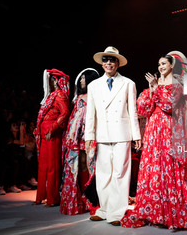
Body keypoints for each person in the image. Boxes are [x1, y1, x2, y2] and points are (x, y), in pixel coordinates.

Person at [121, 51, 187, 229]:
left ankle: (172, 214)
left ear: (172, 66)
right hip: (154, 131)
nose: (161, 67)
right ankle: (155, 213)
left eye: (164, 64)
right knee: (154, 168)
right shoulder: (154, 85)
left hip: (169, 130)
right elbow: (143, 109)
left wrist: (156, 89)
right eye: (159, 64)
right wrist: (153, 88)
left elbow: (169, 106)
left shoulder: (178, 83)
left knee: (169, 167)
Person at [85, 46, 141, 226]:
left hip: (122, 133)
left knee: (120, 173)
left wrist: (136, 134)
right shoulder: (93, 85)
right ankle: (104, 210)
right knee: (103, 174)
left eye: (112, 60)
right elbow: (90, 114)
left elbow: (133, 111)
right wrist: (89, 136)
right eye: (106, 60)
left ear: (118, 63)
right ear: (102, 63)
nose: (108, 63)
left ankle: (117, 213)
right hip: (102, 134)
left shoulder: (128, 83)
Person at [60, 68, 99, 215]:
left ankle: (92, 199)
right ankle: (80, 200)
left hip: (90, 134)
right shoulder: (78, 98)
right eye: (81, 78)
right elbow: (73, 119)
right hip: (76, 136)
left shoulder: (96, 96)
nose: (81, 81)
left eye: (83, 78)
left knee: (91, 165)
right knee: (78, 164)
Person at [33, 69, 69, 207]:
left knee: (52, 166)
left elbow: (64, 113)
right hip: (44, 133)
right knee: (43, 166)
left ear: (54, 81)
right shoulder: (51, 95)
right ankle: (41, 196)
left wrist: (53, 128)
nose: (47, 82)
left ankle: (52, 198)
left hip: (51, 134)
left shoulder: (59, 95)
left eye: (50, 80)